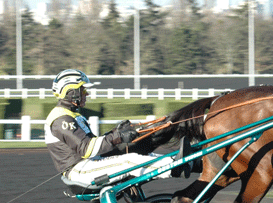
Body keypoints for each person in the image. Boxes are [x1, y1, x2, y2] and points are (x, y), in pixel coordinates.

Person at [45, 69, 191, 191]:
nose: (86, 94)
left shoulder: (72, 116)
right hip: (80, 171)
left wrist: (115, 132)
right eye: (83, 90)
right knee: (129, 161)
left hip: (89, 164)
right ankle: (174, 167)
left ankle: (177, 161)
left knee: (135, 153)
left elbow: (94, 143)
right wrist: (117, 137)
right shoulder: (61, 119)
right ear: (72, 92)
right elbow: (87, 149)